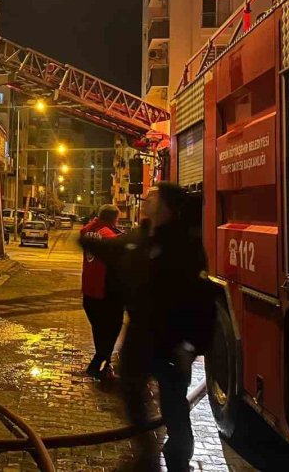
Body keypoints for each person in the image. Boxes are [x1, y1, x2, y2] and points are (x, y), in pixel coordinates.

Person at [79, 183, 214, 472]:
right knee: (131, 391)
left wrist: (191, 346)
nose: (146, 198)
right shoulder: (139, 238)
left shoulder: (185, 245)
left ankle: (178, 459)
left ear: (166, 205)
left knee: (174, 406)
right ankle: (146, 451)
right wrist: (85, 241)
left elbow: (202, 300)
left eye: (153, 195)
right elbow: (113, 250)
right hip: (140, 336)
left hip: (172, 339)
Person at [79, 204, 124, 380]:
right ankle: (99, 363)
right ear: (113, 219)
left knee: (100, 330)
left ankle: (102, 365)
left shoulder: (87, 230)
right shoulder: (109, 235)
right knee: (112, 328)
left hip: (90, 293)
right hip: (106, 294)